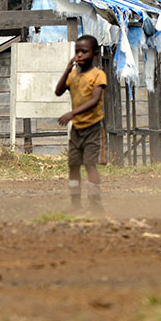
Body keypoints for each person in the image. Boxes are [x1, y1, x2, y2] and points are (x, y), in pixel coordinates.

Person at [55, 35, 106, 208]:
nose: (80, 55)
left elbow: (94, 101)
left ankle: (95, 202)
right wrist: (67, 69)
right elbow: (58, 91)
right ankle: (75, 203)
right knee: (73, 165)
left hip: (92, 127)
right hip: (77, 129)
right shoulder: (73, 76)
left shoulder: (98, 75)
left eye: (84, 52)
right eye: (77, 52)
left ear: (95, 53)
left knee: (89, 164)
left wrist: (72, 113)